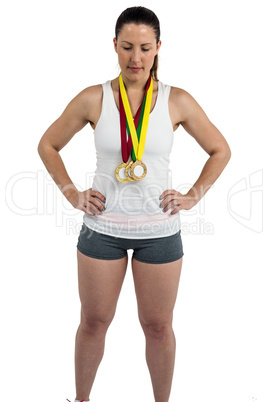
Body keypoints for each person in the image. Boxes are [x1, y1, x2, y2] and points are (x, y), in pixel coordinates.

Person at [38, 6, 231, 402]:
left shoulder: (178, 101)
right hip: (102, 230)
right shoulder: (94, 98)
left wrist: (193, 196)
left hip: (159, 232)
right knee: (93, 322)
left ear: (159, 48)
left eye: (145, 48)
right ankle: (81, 400)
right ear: (114, 46)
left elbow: (220, 150)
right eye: (127, 47)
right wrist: (72, 193)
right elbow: (48, 144)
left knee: (158, 327)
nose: (136, 58)